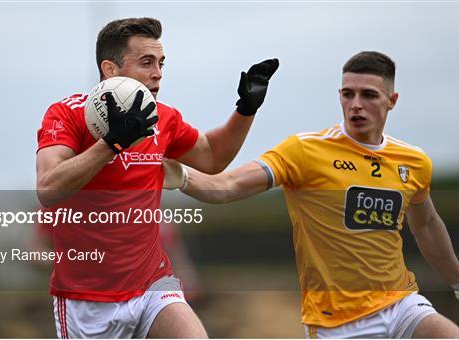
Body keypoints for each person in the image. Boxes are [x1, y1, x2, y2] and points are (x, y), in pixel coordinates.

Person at [163, 51, 459, 338]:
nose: (356, 104)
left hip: (401, 303)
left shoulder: (413, 161)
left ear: (392, 101)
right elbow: (229, 186)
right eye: (348, 94)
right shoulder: (305, 151)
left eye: (369, 95)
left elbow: (428, 225)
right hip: (338, 323)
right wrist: (180, 175)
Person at [36, 17, 278, 338]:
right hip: (88, 299)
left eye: (161, 63)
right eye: (147, 62)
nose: (158, 74)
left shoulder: (162, 117)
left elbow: (212, 157)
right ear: (109, 69)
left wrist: (245, 110)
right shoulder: (66, 114)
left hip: (152, 284)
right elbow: (48, 188)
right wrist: (112, 143)